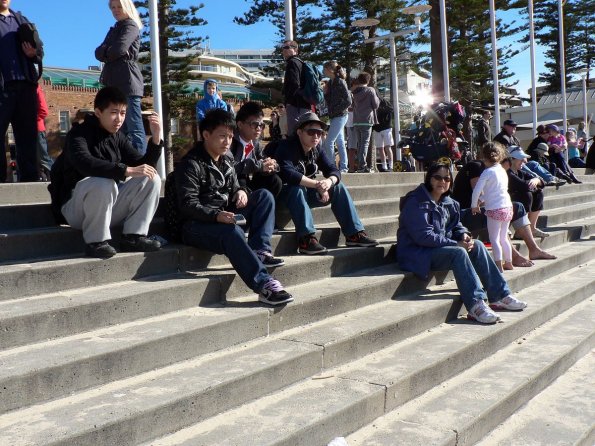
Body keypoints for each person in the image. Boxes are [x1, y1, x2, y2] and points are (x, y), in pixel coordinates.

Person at [174, 108, 292, 306]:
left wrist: (241, 191)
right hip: (195, 225)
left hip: (223, 215)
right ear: (206, 135)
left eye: (230, 137)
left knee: (263, 196)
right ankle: (264, 285)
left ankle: (260, 251)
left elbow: (237, 183)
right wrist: (216, 216)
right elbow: (188, 205)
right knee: (231, 232)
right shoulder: (190, 164)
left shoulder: (227, 159)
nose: (227, 142)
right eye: (222, 136)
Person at [396, 162, 527, 325]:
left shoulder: (448, 202)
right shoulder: (416, 201)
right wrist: (456, 243)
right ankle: (476, 305)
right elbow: (423, 236)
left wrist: (464, 235)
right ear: (429, 178)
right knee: (458, 252)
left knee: (477, 245)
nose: (442, 182)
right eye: (437, 177)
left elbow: (456, 225)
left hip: (438, 248)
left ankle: (500, 295)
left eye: (446, 178)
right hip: (416, 253)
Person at [49, 86, 163, 258]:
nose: (119, 119)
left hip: (106, 207)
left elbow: (142, 165)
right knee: (103, 181)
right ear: (98, 112)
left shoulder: (118, 137)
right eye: (114, 112)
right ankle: (96, 242)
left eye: (123, 113)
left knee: (151, 178)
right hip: (75, 209)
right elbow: (85, 163)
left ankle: (133, 237)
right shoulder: (78, 134)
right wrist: (125, 170)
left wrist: (155, 138)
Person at [275, 112, 378, 254]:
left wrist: (328, 182)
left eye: (319, 132)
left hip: (303, 196)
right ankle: (306, 239)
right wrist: (318, 185)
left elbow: (333, 170)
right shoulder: (286, 146)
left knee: (338, 187)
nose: (316, 136)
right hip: (283, 199)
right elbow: (289, 174)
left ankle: (354, 234)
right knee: (296, 189)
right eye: (311, 132)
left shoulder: (316, 149)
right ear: (299, 132)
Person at [451, 156, 556, 265]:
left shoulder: (494, 170)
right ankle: (513, 257)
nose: (507, 171)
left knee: (516, 207)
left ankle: (533, 249)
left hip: (481, 209)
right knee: (499, 215)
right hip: (467, 213)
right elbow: (479, 196)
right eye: (507, 166)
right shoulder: (477, 167)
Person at [0, 0, 44, 182]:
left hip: (25, 87)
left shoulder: (21, 20)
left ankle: (30, 182)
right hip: (2, 89)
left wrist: (35, 54)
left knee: (27, 138)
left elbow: (39, 49)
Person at [95, 0, 146, 155]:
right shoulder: (115, 28)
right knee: (119, 128)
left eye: (119, 7)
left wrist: (106, 52)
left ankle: (139, 161)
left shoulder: (130, 26)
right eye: (113, 7)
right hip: (115, 84)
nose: (115, 10)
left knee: (133, 126)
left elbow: (119, 49)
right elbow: (98, 52)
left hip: (128, 83)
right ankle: (124, 161)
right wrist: (108, 52)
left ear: (127, 7)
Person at [470, 143, 513, 272]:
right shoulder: (502, 170)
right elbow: (496, 190)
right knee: (504, 237)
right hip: (507, 207)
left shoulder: (487, 172)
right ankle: (509, 262)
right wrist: (482, 200)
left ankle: (498, 265)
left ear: (484, 158)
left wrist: (474, 205)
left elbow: (477, 190)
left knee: (494, 239)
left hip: (495, 209)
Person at [229, 101, 282, 198]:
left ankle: (265, 207)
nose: (259, 129)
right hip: (233, 182)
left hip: (249, 181)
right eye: (254, 124)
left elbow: (262, 159)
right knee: (241, 179)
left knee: (275, 180)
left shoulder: (255, 143)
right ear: (240, 124)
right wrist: (259, 165)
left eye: (261, 125)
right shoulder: (230, 141)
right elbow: (229, 167)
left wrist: (272, 165)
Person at [504, 146, 549, 239]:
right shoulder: (508, 173)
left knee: (538, 193)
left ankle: (531, 227)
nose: (524, 161)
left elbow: (543, 183)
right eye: (520, 159)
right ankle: (520, 230)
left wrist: (536, 180)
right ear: (511, 159)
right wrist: (534, 182)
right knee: (527, 194)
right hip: (507, 205)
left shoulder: (520, 172)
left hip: (514, 203)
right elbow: (525, 186)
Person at [322, 60, 351, 173]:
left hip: (340, 115)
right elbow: (330, 101)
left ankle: (332, 166)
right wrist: (326, 93)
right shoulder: (331, 82)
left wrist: (336, 109)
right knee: (339, 142)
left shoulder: (340, 81)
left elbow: (348, 100)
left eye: (324, 69)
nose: (323, 71)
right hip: (336, 116)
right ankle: (343, 167)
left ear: (330, 70)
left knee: (329, 142)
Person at [351, 72, 380, 173]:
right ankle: (362, 166)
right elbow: (376, 105)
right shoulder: (370, 90)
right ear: (368, 80)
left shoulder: (354, 91)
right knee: (365, 144)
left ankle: (360, 165)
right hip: (367, 120)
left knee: (360, 144)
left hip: (356, 120)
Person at [281, 40, 311, 135]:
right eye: (283, 48)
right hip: (304, 104)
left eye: (286, 47)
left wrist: (288, 102)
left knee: (294, 133)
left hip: (295, 105)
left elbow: (294, 84)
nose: (283, 50)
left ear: (295, 50)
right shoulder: (300, 63)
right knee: (305, 132)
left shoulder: (292, 62)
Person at [35, 84, 53, 180]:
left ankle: (58, 173)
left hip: (37, 129)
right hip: (27, 129)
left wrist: (32, 120)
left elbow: (44, 110)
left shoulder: (36, 88)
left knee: (43, 157)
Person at [373, 98, 394, 172]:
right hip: (378, 128)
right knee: (381, 148)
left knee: (386, 147)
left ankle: (390, 166)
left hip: (384, 128)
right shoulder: (374, 102)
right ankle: (384, 166)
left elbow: (390, 109)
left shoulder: (383, 102)